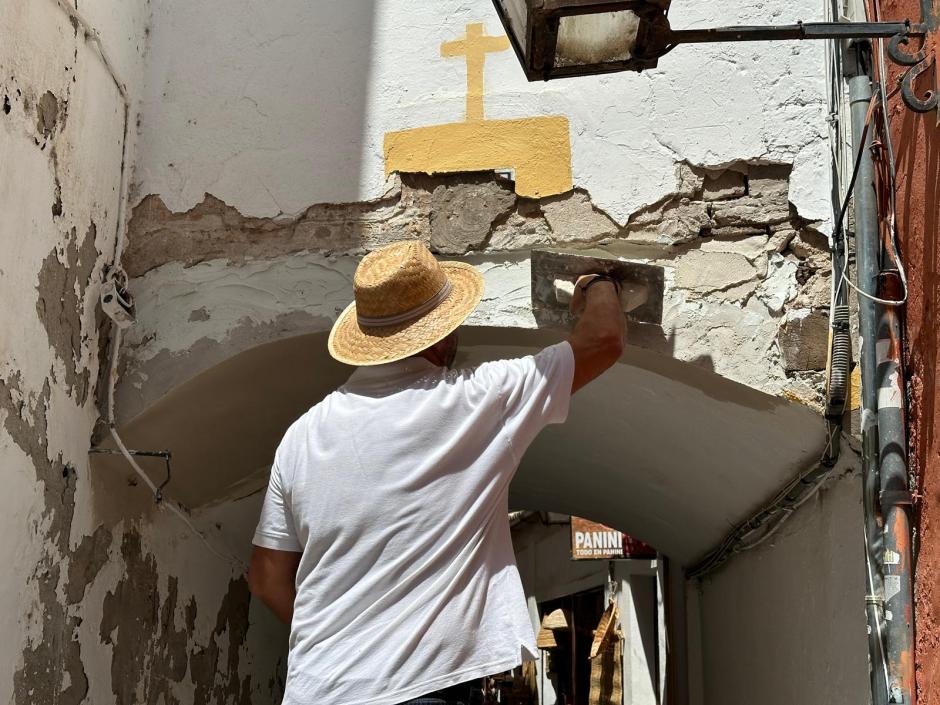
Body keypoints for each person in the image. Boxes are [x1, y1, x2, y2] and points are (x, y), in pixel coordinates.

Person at [248, 240, 625, 705]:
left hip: (316, 690)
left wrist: (341, 643)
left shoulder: (300, 436)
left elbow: (265, 578)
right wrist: (598, 281)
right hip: (422, 689)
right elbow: (604, 340)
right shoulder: (478, 399)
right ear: (443, 333)